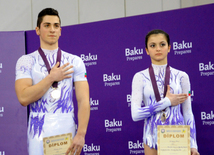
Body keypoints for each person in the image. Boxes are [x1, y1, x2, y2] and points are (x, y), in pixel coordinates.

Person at [15, 8, 90, 155]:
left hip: (67, 128)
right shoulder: (26, 61)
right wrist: (51, 78)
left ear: (60, 31)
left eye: (56, 26)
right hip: (38, 130)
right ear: (37, 30)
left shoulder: (75, 61)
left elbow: (83, 100)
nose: (52, 30)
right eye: (47, 25)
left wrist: (81, 134)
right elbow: (23, 98)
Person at [131, 29, 199, 155]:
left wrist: (193, 144)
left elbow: (188, 112)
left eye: (162, 44)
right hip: (151, 137)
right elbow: (135, 114)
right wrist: (167, 102)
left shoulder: (182, 76)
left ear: (169, 48)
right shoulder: (139, 77)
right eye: (153, 45)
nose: (158, 49)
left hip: (177, 137)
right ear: (146, 50)